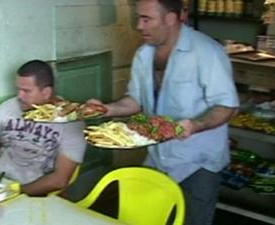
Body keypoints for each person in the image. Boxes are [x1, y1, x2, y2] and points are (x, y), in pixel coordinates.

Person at [89, 0, 239, 224]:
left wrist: (197, 125)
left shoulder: (207, 52)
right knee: (143, 218)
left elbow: (228, 106)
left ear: (170, 18)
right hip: (157, 157)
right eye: (138, 17)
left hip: (197, 162)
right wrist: (107, 108)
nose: (139, 26)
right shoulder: (143, 54)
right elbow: (136, 101)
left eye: (146, 19)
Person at [0, 60, 87, 196]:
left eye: (26, 91)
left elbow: (60, 179)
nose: (19, 96)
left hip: (36, 193)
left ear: (46, 92)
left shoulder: (71, 121)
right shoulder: (8, 108)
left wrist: (16, 193)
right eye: (18, 89)